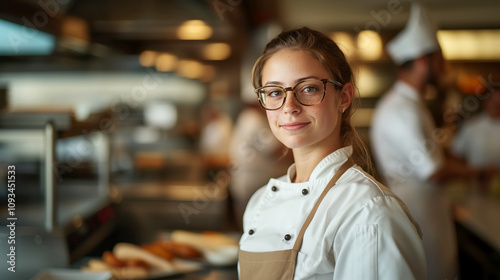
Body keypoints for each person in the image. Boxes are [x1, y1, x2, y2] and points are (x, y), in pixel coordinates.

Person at [238, 27, 426, 279]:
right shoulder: (258, 203)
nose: (289, 107)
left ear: (344, 97)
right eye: (274, 92)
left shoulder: (369, 212)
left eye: (308, 88)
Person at [370, 3, 482, 279]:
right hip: (418, 217)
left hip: (429, 213)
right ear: (423, 61)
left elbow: (431, 153)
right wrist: (481, 171)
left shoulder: (411, 104)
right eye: (440, 58)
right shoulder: (401, 109)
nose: (444, 66)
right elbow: (433, 170)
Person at [229, 102, 290, 230]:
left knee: (247, 222)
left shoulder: (245, 117)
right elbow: (276, 150)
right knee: (255, 223)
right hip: (254, 181)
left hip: (244, 178)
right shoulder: (254, 120)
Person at [452, 85, 500, 168]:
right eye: (493, 101)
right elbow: (457, 155)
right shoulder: (471, 125)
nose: (496, 105)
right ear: (485, 101)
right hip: (475, 178)